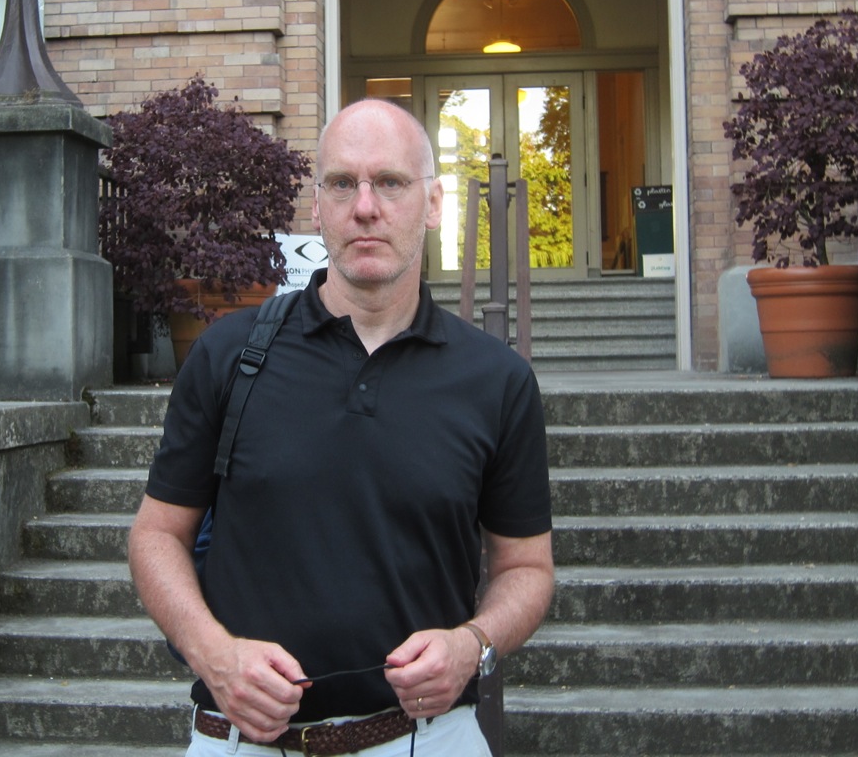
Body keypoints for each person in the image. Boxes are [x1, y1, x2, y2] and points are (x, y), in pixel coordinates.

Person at [129, 98, 555, 756]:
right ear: (318, 206)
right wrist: (213, 653)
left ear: (433, 204)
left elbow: (525, 566)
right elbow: (157, 535)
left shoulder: (496, 380)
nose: (365, 206)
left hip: (426, 741)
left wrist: (472, 644)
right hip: (242, 740)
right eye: (341, 183)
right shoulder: (229, 356)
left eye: (390, 182)